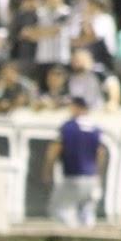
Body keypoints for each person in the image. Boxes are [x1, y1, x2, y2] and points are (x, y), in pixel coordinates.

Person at [44, 97, 107, 228]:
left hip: (72, 177)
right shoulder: (96, 128)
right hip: (91, 178)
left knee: (59, 209)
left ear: (77, 108)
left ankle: (71, 239)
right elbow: (101, 152)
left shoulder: (68, 127)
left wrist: (48, 170)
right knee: (87, 213)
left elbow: (55, 149)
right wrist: (98, 174)